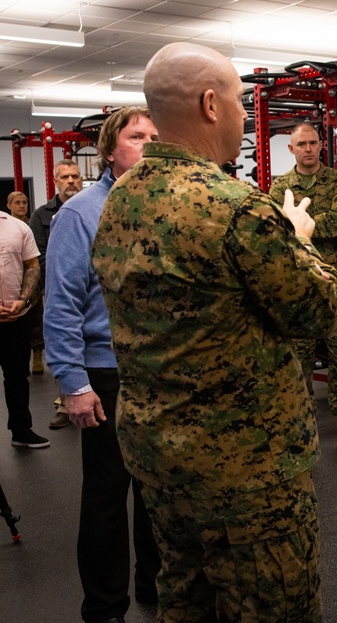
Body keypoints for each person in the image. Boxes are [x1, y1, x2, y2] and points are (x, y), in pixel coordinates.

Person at [91, 42, 337, 621]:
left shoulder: (120, 199)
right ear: (211, 104)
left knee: (185, 598)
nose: (245, 116)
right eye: (238, 100)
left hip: (160, 458)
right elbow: (318, 311)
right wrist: (299, 238)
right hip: (246, 470)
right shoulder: (233, 206)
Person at [45, 107, 161, 622]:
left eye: (155, 136)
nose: (148, 144)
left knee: (159, 491)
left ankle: (155, 587)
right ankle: (106, 607)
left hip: (161, 369)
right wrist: (73, 382)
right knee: (108, 498)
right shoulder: (81, 213)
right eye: (137, 137)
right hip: (107, 372)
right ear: (110, 150)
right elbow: (62, 304)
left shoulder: (167, 205)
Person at [271, 122, 337, 459]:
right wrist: (312, 223)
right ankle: (301, 430)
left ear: (321, 145)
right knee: (297, 361)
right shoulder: (280, 185)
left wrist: (302, 223)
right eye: (302, 144)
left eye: (313, 143)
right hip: (300, 285)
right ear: (291, 149)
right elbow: (277, 227)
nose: (309, 149)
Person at [29, 159, 83, 429]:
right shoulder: (41, 215)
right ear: (56, 181)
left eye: (75, 176)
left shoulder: (92, 207)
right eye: (65, 177)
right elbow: (38, 255)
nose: (71, 181)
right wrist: (63, 278)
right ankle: (66, 401)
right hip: (60, 290)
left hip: (91, 290)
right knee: (64, 344)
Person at [0, 203, 46, 448]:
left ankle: (21, 430)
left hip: (17, 317)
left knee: (17, 376)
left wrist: (23, 300)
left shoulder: (17, 227)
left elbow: (32, 266)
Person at [6, 191, 44, 377]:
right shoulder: (6, 227)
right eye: (17, 203)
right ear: (9, 205)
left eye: (25, 202)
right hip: (11, 282)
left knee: (36, 319)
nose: (22, 206)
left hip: (31, 282)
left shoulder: (32, 225)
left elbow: (35, 259)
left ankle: (37, 355)